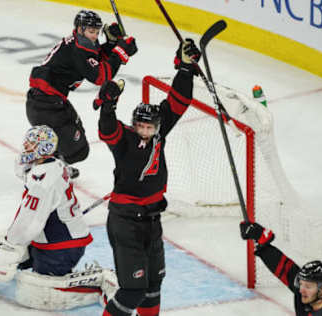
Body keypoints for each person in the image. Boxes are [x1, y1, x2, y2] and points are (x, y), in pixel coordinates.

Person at [0, 125, 117, 310]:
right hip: (49, 240)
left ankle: (99, 281)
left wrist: (11, 244)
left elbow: (31, 220)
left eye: (31, 145)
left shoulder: (43, 180)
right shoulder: (49, 165)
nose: (26, 148)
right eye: (27, 143)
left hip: (61, 248)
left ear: (43, 149)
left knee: (34, 292)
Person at [95, 39, 201, 316]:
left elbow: (179, 101)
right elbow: (107, 131)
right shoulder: (125, 140)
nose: (144, 130)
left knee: (153, 285)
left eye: (149, 126)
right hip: (125, 221)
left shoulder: (159, 133)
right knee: (133, 290)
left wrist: (186, 69)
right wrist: (108, 105)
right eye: (140, 125)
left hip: (151, 221)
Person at [26, 9, 138, 177]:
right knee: (78, 151)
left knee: (69, 138)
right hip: (47, 106)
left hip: (46, 102)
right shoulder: (78, 49)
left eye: (97, 32)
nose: (95, 36)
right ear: (80, 29)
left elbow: (95, 59)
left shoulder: (79, 43)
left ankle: (53, 166)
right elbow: (101, 76)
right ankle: (42, 168)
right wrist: (120, 52)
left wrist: (112, 43)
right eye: (91, 31)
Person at [240, 221, 322, 315]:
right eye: (301, 284)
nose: (301, 290)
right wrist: (260, 240)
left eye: (308, 286)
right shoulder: (305, 294)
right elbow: (285, 269)